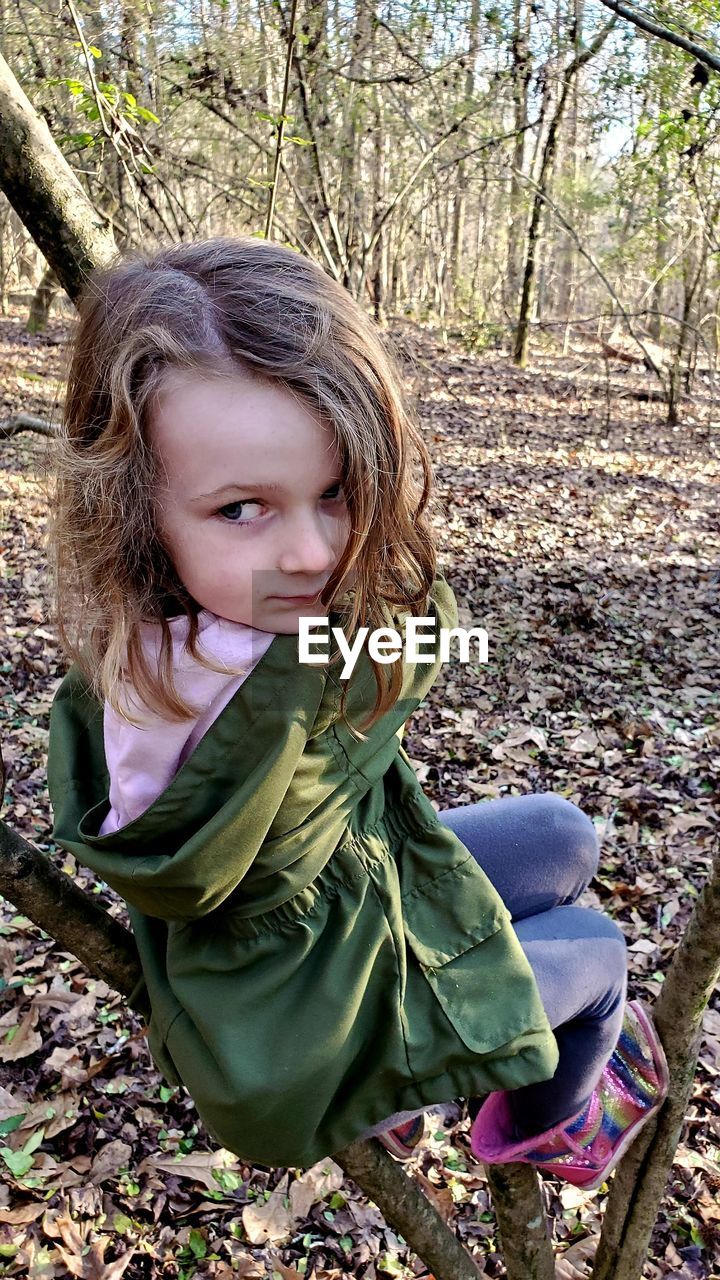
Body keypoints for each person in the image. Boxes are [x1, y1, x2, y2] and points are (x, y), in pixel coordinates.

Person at [45, 236, 667, 1188]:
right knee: (600, 951)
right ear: (134, 509)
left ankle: (429, 1087)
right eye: (244, 509)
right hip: (303, 1037)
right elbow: (435, 631)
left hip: (304, 933)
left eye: (336, 493)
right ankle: (550, 1125)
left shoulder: (146, 644)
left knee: (561, 836)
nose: (310, 552)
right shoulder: (295, 667)